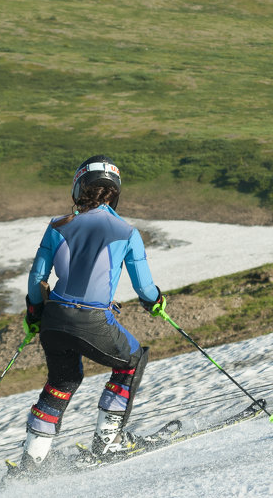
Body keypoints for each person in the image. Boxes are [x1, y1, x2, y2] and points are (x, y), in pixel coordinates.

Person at [13, 154, 166, 474]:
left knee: (63, 379)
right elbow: (145, 288)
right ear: (116, 192)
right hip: (93, 320)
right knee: (132, 361)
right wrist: (156, 303)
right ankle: (109, 440)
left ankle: (32, 461)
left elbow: (36, 279)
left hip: (53, 319)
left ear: (79, 187)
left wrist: (34, 314)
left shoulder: (57, 226)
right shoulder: (127, 232)